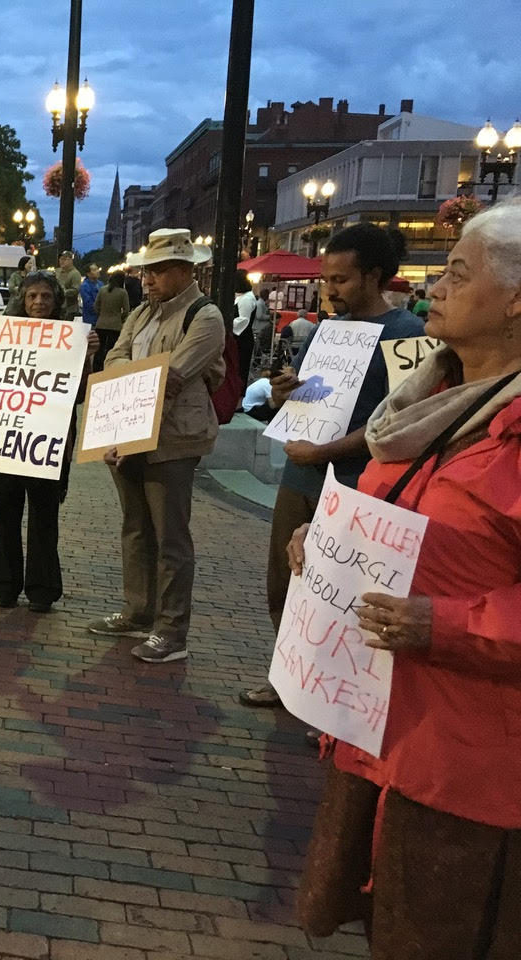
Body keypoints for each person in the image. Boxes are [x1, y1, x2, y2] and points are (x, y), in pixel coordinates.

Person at [294, 199, 521, 957]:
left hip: (469, 765)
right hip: (379, 731)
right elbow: (391, 511)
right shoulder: (428, 398)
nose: (437, 288)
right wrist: (323, 539)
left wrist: (443, 624)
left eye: (458, 272)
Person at [239, 223, 424, 710]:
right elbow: (309, 394)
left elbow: (402, 421)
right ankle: (289, 678)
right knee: (287, 580)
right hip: (302, 475)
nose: (330, 289)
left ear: (374, 276)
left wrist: (325, 452)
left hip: (357, 485)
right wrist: (285, 395)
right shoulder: (326, 329)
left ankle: (333, 699)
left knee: (341, 593)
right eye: (327, 278)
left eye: (340, 280)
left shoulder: (409, 335)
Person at [89, 229, 225, 663]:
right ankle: (138, 611)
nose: (148, 279)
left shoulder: (205, 317)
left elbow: (170, 379)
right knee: (135, 527)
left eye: (159, 271)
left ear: (186, 270)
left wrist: (132, 381)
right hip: (128, 434)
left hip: (172, 439)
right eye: (147, 270)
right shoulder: (142, 313)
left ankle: (171, 630)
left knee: (170, 537)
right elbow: (115, 357)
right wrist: (123, 420)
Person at [0, 272, 98, 613]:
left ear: (57, 301)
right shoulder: (3, 336)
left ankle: (42, 591)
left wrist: (86, 357)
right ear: (22, 300)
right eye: (32, 296)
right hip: (8, 439)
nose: (39, 302)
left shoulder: (71, 338)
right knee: (6, 516)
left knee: (45, 517)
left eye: (45, 296)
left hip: (48, 442)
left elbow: (81, 393)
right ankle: (4, 586)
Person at [92, 271, 130, 372]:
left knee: (99, 349)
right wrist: (120, 318)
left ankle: (96, 368)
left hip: (101, 323)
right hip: (115, 325)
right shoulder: (123, 292)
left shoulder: (102, 290)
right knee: (111, 348)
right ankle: (107, 369)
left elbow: (96, 306)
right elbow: (126, 310)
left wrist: (101, 314)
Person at [234, 270, 258, 384]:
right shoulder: (242, 297)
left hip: (242, 339)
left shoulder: (246, 299)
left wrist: (225, 322)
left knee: (240, 370)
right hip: (239, 338)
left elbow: (243, 320)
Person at [55, 250, 83, 320]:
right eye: (61, 259)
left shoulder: (75, 273)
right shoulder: (57, 271)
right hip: (57, 306)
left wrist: (63, 292)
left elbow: (76, 290)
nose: (62, 261)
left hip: (69, 309)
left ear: (71, 260)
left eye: (65, 259)